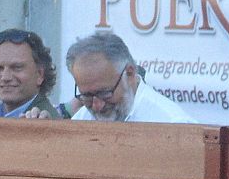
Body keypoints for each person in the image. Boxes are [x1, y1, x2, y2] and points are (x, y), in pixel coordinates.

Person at [66, 31, 196, 123]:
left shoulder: (174, 125)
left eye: (104, 93)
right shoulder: (82, 120)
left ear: (129, 74)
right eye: (87, 96)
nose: (97, 105)